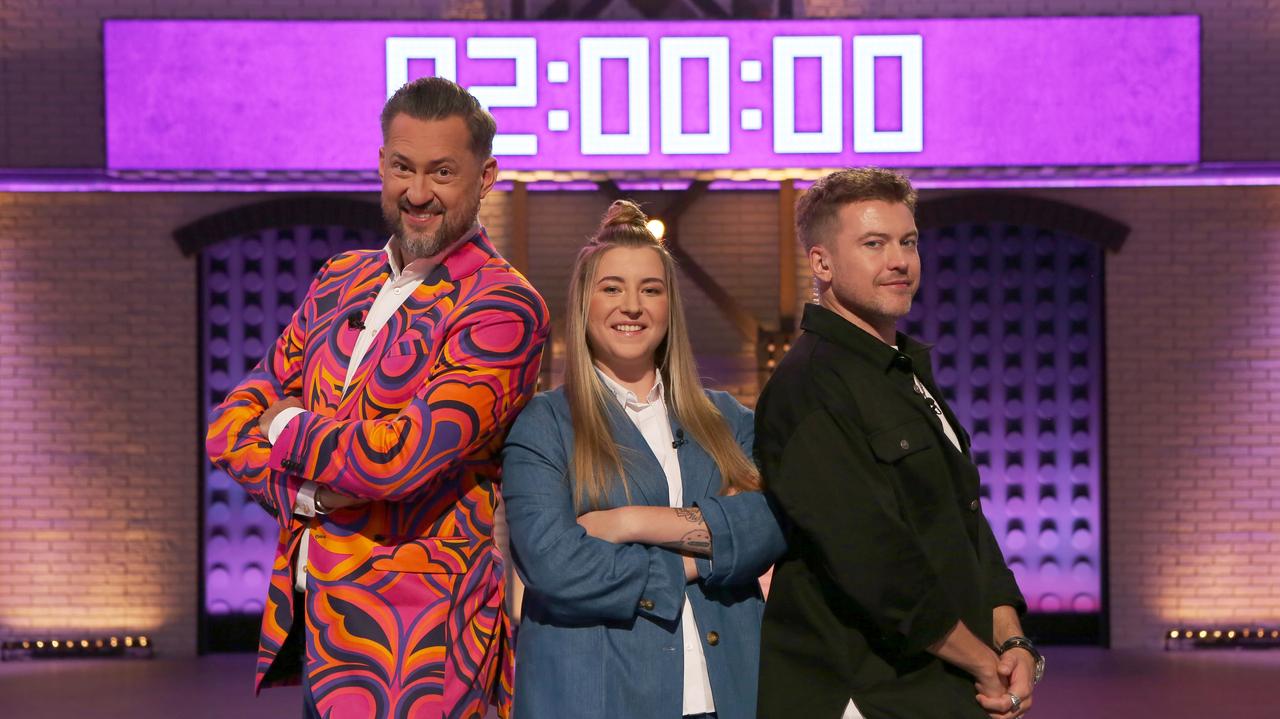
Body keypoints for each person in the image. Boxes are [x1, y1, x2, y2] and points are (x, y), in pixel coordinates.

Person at [206, 76, 549, 718]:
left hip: (421, 644)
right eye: (402, 168)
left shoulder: (503, 305)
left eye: (442, 172)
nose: (417, 193)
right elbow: (228, 424)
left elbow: (396, 460)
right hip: (317, 626)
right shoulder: (341, 277)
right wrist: (308, 496)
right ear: (381, 165)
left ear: (485, 178)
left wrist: (285, 425)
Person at [755, 168, 1044, 719]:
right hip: (863, 694)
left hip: (942, 684)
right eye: (874, 244)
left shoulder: (903, 371)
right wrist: (984, 663)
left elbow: (963, 520)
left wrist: (1011, 639)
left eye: (908, 242)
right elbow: (872, 560)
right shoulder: (809, 387)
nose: (899, 261)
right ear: (821, 263)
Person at [501, 200, 786, 719]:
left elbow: (769, 524)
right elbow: (555, 566)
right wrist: (705, 554)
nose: (632, 306)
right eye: (612, 288)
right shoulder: (544, 425)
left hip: (732, 694)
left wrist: (629, 522)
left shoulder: (728, 419)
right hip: (601, 698)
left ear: (669, 307)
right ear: (583, 303)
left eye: (650, 290)